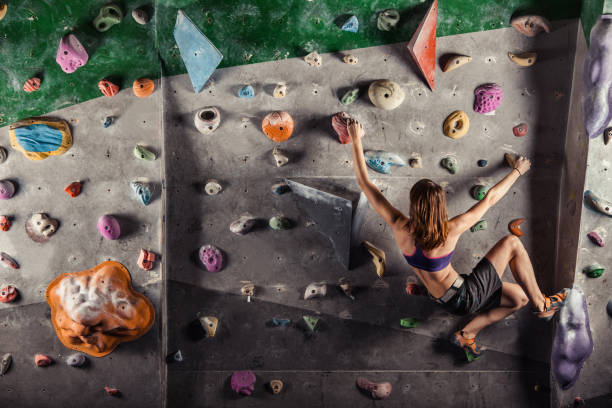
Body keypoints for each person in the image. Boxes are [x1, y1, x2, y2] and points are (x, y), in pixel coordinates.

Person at [347, 118, 567, 361]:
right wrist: (517, 171)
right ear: (441, 206)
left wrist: (356, 139)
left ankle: (466, 334)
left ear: (413, 204)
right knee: (511, 243)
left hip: (442, 297)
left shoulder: (400, 225)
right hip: (464, 295)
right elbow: (490, 198)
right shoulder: (450, 230)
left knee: (519, 299)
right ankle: (543, 305)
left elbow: (365, 184)